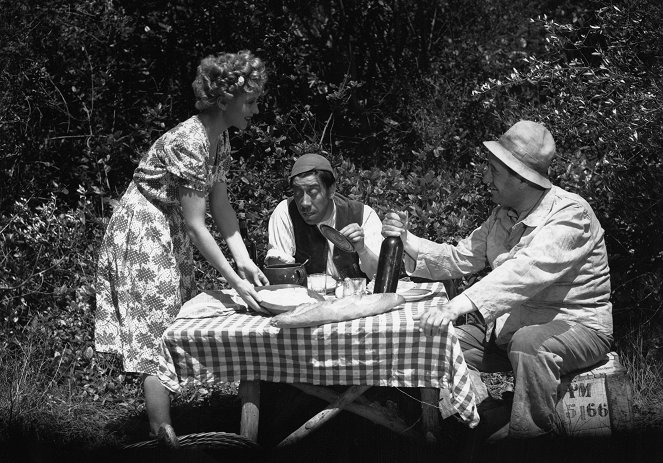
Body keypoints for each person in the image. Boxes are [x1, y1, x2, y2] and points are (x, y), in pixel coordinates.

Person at [382, 120, 613, 440]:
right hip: (511, 327)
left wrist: (457, 305)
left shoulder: (571, 214)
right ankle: (441, 424)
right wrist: (407, 239)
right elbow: (458, 258)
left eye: (493, 170)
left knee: (529, 343)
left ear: (520, 177)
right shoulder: (501, 216)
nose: (485, 177)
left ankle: (528, 435)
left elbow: (525, 271)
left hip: (580, 327)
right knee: (440, 343)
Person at [95, 50, 270, 447]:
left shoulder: (218, 137)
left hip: (167, 226)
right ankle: (161, 433)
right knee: (157, 329)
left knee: (172, 319)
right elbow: (196, 223)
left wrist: (244, 261)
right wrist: (236, 283)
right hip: (143, 228)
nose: (256, 110)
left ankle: (165, 425)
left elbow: (220, 207)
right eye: (252, 101)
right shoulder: (190, 140)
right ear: (226, 100)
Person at [265, 152, 383, 281]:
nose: (304, 203)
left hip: (357, 298)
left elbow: (381, 275)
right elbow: (279, 273)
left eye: (313, 192)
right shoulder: (286, 212)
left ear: (331, 190)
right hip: (306, 298)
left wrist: (362, 249)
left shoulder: (362, 214)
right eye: (298, 193)